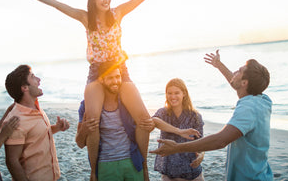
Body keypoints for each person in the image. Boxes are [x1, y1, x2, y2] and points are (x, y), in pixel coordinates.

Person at [11, 0, 187, 180]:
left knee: (144, 120)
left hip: (119, 69)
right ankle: (94, 171)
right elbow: (55, 4)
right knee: (92, 121)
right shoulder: (85, 18)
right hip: (96, 72)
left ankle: (144, 169)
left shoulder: (118, 12)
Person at [151, 50, 273, 181]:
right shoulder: (262, 100)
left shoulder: (248, 108)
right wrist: (219, 65)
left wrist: (176, 148)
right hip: (261, 173)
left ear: (245, 83)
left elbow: (220, 141)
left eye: (239, 71)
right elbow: (237, 82)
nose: (234, 73)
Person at [76, 61, 199, 181]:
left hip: (133, 162)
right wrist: (84, 131)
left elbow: (151, 122)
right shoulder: (88, 107)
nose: (115, 81)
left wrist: (176, 131)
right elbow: (80, 143)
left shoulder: (129, 103)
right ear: (101, 80)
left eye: (118, 77)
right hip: (106, 164)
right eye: (110, 78)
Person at [3, 65, 70, 181]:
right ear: (24, 87)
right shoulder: (16, 120)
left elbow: (36, 134)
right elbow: (12, 161)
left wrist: (57, 128)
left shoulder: (35, 107)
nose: (39, 80)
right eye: (33, 77)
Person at [153, 78, 205, 181]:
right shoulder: (163, 113)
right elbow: (154, 120)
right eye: (169, 93)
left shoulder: (195, 116)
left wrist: (201, 155)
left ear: (184, 93)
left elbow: (202, 144)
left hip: (192, 173)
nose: (172, 97)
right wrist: (179, 131)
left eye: (177, 93)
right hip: (169, 174)